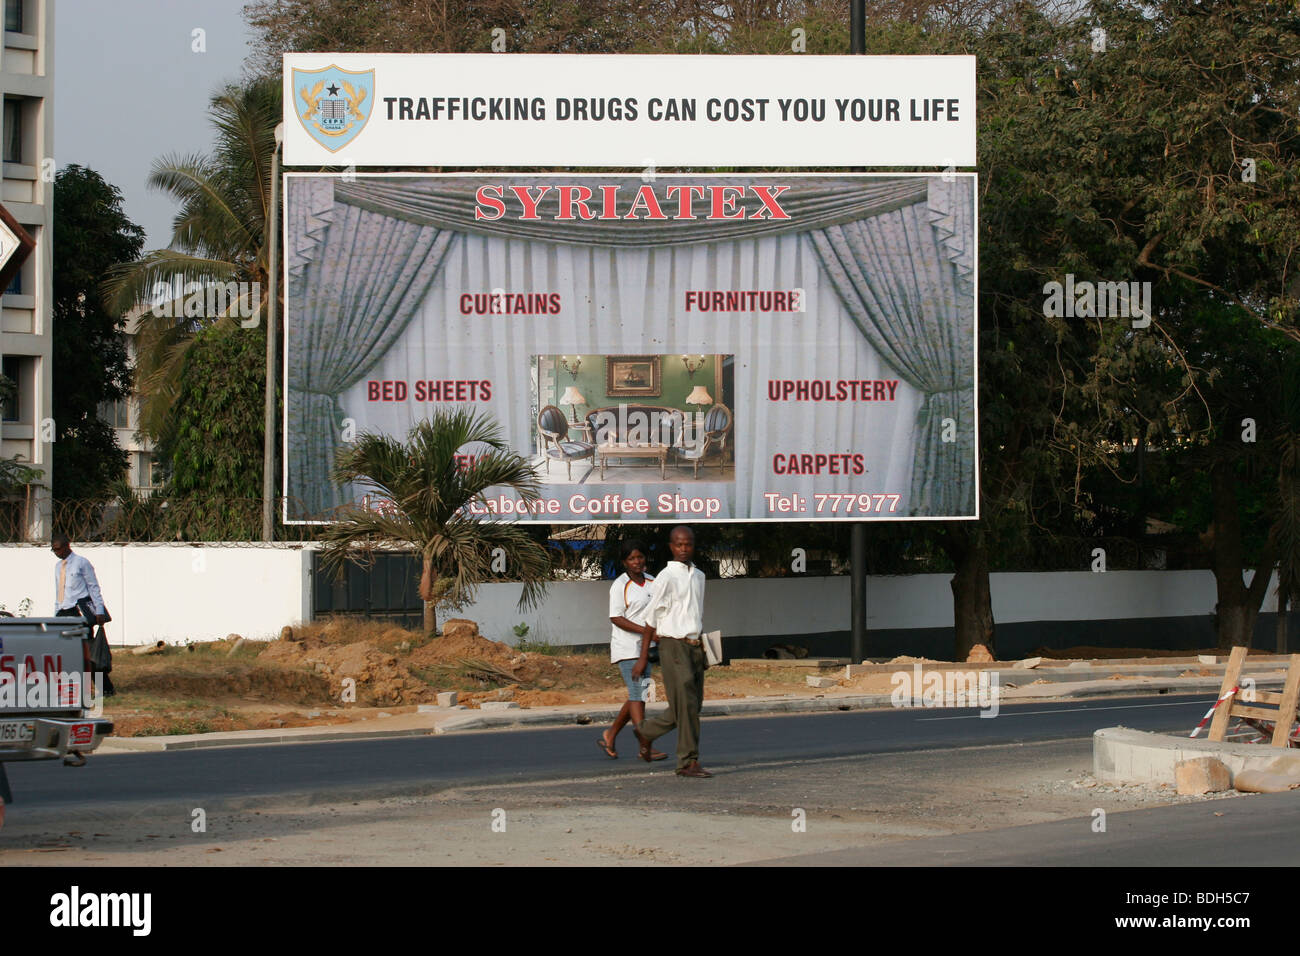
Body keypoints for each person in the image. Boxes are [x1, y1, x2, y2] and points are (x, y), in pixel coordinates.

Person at [633, 525, 711, 777]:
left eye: (688, 544)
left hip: (694, 645)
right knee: (686, 705)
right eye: (679, 544)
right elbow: (650, 620)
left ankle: (646, 731)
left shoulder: (699, 576)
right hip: (672, 645)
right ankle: (688, 761)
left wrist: (703, 647)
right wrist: (643, 657)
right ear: (671, 546)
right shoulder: (666, 576)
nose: (684, 549)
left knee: (692, 706)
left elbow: (695, 615)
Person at [598, 539, 668, 761]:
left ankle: (610, 734)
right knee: (638, 693)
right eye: (631, 558)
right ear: (624, 562)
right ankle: (645, 744)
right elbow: (616, 617)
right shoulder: (619, 585)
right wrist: (645, 631)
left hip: (649, 648)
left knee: (640, 695)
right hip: (627, 648)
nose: (637, 562)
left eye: (639, 557)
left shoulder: (652, 581)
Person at [50, 532, 114, 697]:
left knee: (86, 653)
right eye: (54, 550)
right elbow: (59, 591)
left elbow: (93, 587)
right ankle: (72, 688)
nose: (57, 553)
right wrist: (56, 613)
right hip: (63, 612)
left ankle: (105, 688)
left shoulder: (81, 563)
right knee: (64, 653)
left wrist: (99, 610)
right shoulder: (58, 567)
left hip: (79, 611)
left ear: (67, 546)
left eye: (58, 549)